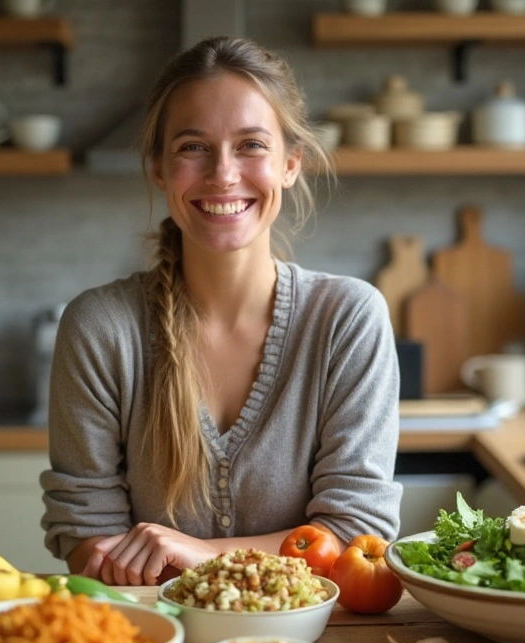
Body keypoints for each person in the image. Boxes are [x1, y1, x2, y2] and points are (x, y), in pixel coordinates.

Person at [40, 35, 402, 586]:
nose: (223, 175)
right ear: (159, 168)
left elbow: (357, 534)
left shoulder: (348, 319)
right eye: (192, 147)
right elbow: (90, 543)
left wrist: (204, 555)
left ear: (290, 164)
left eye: (251, 144)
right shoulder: (100, 328)